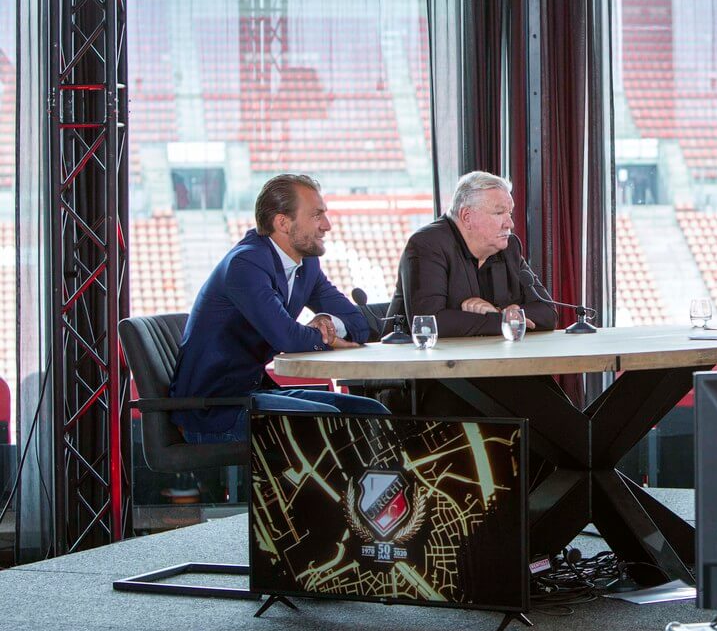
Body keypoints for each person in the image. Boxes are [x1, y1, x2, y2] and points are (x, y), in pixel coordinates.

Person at [170, 174, 389, 442]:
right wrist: (329, 339)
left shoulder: (306, 265)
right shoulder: (246, 264)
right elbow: (287, 337)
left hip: (254, 395)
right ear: (283, 222)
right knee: (330, 424)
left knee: (372, 412)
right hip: (213, 411)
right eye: (317, 215)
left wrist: (326, 323)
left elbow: (357, 322)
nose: (327, 225)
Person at [387, 171, 557, 337]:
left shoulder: (508, 246)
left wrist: (498, 314)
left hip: (487, 358)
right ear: (466, 216)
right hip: (417, 361)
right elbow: (429, 322)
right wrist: (501, 320)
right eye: (499, 213)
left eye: (509, 213)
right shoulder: (427, 245)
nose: (510, 223)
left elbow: (548, 313)